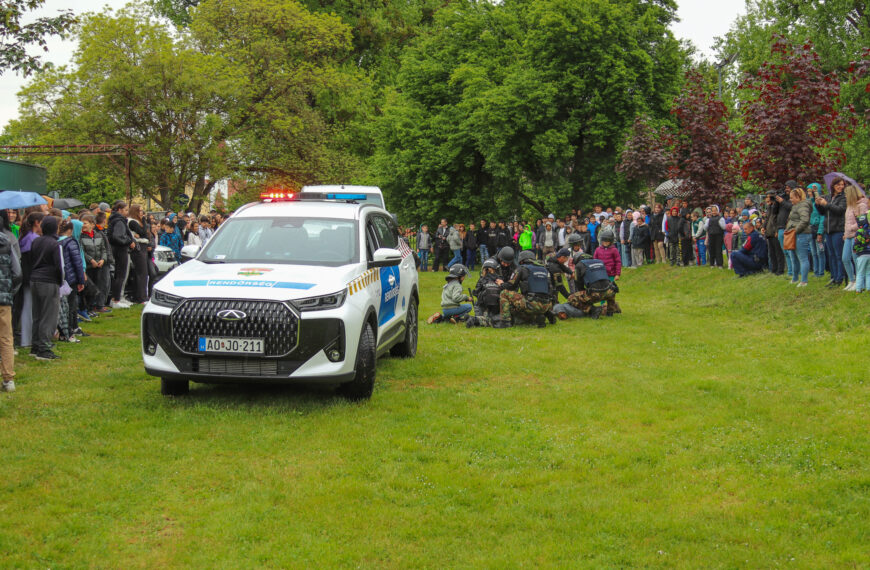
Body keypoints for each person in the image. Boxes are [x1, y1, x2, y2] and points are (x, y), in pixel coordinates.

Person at [29, 215, 62, 360]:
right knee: (48, 316)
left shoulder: (36, 241)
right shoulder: (55, 244)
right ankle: (43, 348)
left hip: (35, 279)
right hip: (49, 280)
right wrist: (60, 281)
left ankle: (35, 346)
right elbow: (58, 266)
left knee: (37, 314)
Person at [496, 250, 553, 328]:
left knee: (504, 293)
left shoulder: (521, 268)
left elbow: (510, 285)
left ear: (521, 260)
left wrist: (501, 283)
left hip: (531, 304)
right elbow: (551, 289)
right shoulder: (545, 269)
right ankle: (540, 317)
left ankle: (505, 322)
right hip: (547, 305)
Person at [554, 252, 618, 319]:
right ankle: (610, 312)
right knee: (609, 290)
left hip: (596, 294)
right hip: (611, 291)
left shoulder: (579, 265)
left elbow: (578, 282)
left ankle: (593, 310)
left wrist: (582, 293)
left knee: (571, 298)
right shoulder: (600, 261)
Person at [0, 215, 21, 391]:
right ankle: (8, 379)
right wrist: (10, 290)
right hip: (3, 298)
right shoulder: (6, 241)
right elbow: (17, 272)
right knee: (6, 338)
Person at [816, 177, 847, 287]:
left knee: (838, 255)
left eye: (842, 185)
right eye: (838, 185)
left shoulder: (843, 197)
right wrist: (818, 205)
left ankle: (840, 278)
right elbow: (823, 212)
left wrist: (826, 204)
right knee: (831, 255)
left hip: (838, 229)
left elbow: (839, 211)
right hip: (828, 230)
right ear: (833, 186)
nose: (841, 187)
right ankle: (833, 277)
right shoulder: (828, 197)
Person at [108, 201, 135, 309]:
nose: (127, 212)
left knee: (120, 275)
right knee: (121, 274)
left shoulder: (116, 220)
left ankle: (118, 297)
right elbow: (118, 236)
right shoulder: (119, 221)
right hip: (120, 250)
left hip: (118, 249)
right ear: (119, 210)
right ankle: (116, 299)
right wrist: (129, 241)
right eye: (125, 210)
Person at [784, 186, 812, 287]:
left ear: (798, 197)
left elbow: (804, 220)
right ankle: (795, 278)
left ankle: (804, 281)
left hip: (801, 234)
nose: (790, 200)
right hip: (794, 235)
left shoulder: (803, 205)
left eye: (792, 198)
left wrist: (795, 231)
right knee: (794, 258)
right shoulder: (796, 205)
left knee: (802, 258)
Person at [842, 185, 868, 291]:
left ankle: (859, 281)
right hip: (848, 236)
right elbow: (846, 221)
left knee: (856, 259)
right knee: (845, 258)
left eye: (846, 194)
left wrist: (851, 228)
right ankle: (851, 280)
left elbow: (863, 221)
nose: (845, 196)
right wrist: (845, 232)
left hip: (857, 235)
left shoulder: (861, 205)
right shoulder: (848, 206)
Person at [466, 258, 503, 328]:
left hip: (484, 306)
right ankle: (480, 319)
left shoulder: (482, 279)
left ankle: (476, 319)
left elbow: (476, 292)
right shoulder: (499, 279)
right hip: (497, 307)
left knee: (478, 302)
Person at [806, 183, 826, 278]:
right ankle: (816, 271)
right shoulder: (809, 203)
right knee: (813, 252)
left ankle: (821, 272)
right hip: (811, 229)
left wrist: (820, 232)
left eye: (811, 192)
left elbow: (823, 217)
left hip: (818, 228)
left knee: (820, 251)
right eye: (808, 192)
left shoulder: (819, 203)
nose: (809, 193)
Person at [853, 215, 870, 293]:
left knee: (860, 273)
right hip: (869, 254)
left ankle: (858, 289)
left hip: (861, 254)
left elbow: (857, 243)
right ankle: (868, 289)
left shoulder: (859, 232)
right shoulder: (869, 231)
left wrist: (855, 249)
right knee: (868, 273)